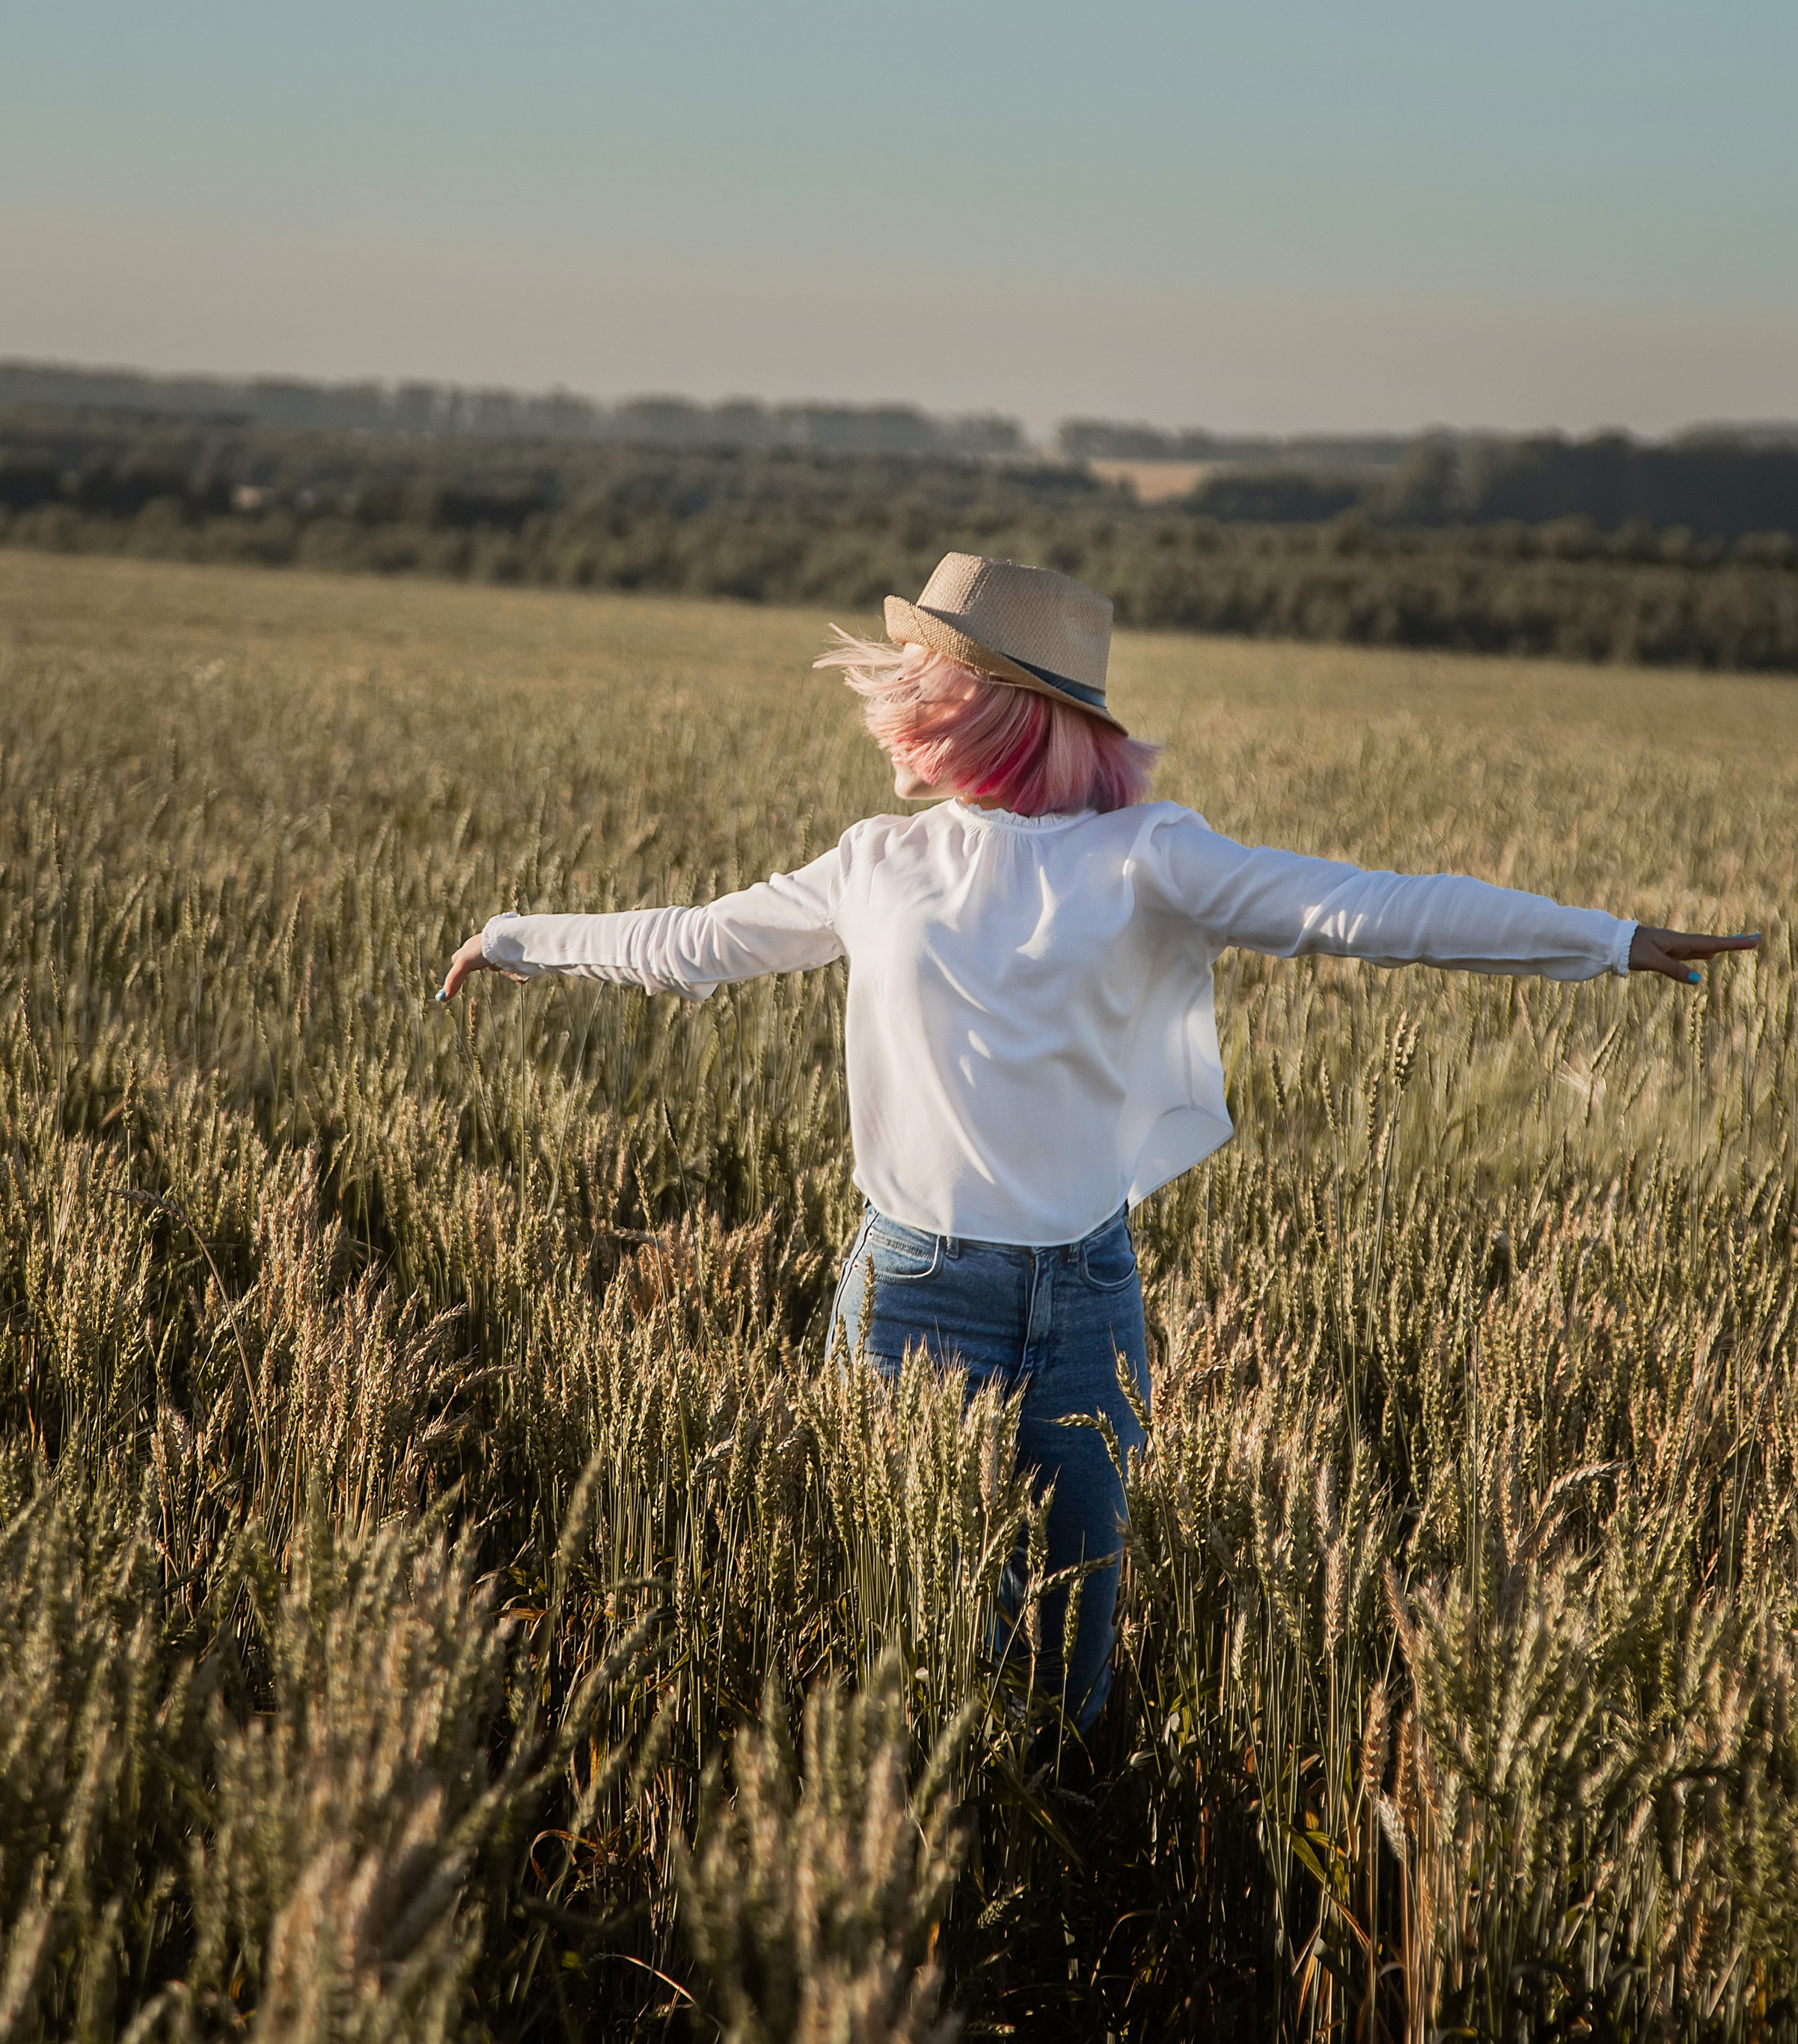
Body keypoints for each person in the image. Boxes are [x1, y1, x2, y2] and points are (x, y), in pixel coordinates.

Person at [440, 551, 1760, 1729]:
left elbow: (1369, 910)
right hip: (913, 1296)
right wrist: (512, 939)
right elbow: (687, 946)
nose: (891, 704)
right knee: (914, 1655)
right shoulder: (875, 862)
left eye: (919, 680)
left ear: (974, 711)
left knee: (1073, 1670)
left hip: (1084, 1300)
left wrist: (1611, 941)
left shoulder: (1148, 859)